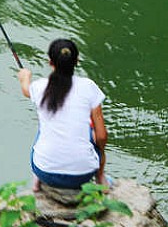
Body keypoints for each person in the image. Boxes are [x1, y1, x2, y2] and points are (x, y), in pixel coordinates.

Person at [18, 38, 108, 191]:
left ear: (51, 63)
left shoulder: (39, 87)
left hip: (45, 172)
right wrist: (99, 154)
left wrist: (24, 77)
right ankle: (100, 177)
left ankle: (37, 181)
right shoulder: (89, 87)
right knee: (91, 132)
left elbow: (26, 90)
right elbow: (102, 137)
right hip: (83, 175)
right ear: (77, 61)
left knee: (43, 131)